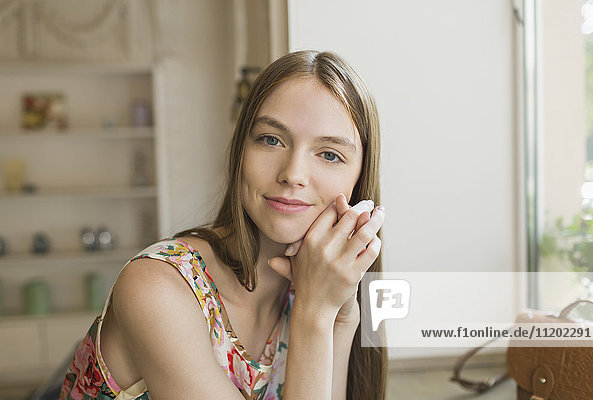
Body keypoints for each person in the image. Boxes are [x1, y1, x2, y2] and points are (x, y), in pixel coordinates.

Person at [59, 50, 387, 400]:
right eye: (271, 139)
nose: (292, 174)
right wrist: (317, 314)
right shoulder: (157, 287)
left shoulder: (318, 288)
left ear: (358, 183)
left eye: (329, 154)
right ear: (239, 152)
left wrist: (341, 316)